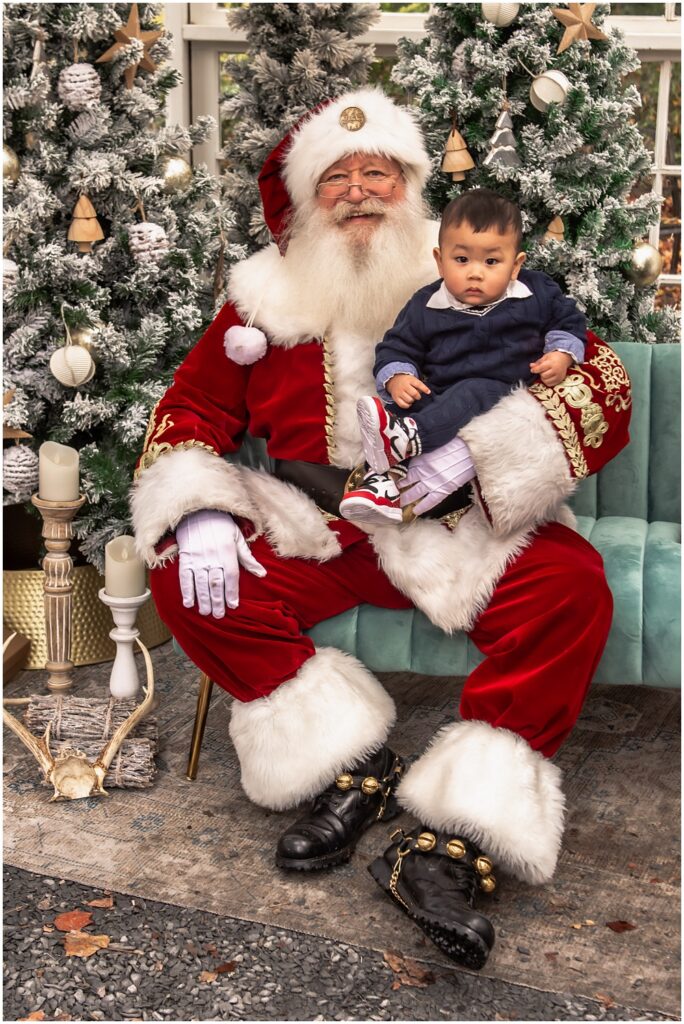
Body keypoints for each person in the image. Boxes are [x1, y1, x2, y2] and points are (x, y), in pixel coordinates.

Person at [131, 88, 631, 971]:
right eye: (336, 178)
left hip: (449, 522)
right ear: (304, 197)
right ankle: (347, 769)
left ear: (409, 186)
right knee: (182, 570)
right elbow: (193, 406)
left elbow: (600, 387)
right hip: (314, 528)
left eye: (379, 172)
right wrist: (199, 502)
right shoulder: (259, 301)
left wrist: (481, 453)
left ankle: (450, 836)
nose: (359, 191)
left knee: (570, 585)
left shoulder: (475, 280)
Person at [340, 188, 587, 525]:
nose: (475, 273)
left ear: (516, 266)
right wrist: (399, 376)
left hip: (504, 395)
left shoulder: (537, 293)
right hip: (443, 396)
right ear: (440, 260)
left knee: (471, 390)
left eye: (491, 261)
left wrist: (561, 353)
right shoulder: (426, 304)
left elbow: (569, 320)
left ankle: (407, 438)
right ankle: (380, 484)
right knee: (404, 404)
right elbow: (396, 346)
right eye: (461, 260)